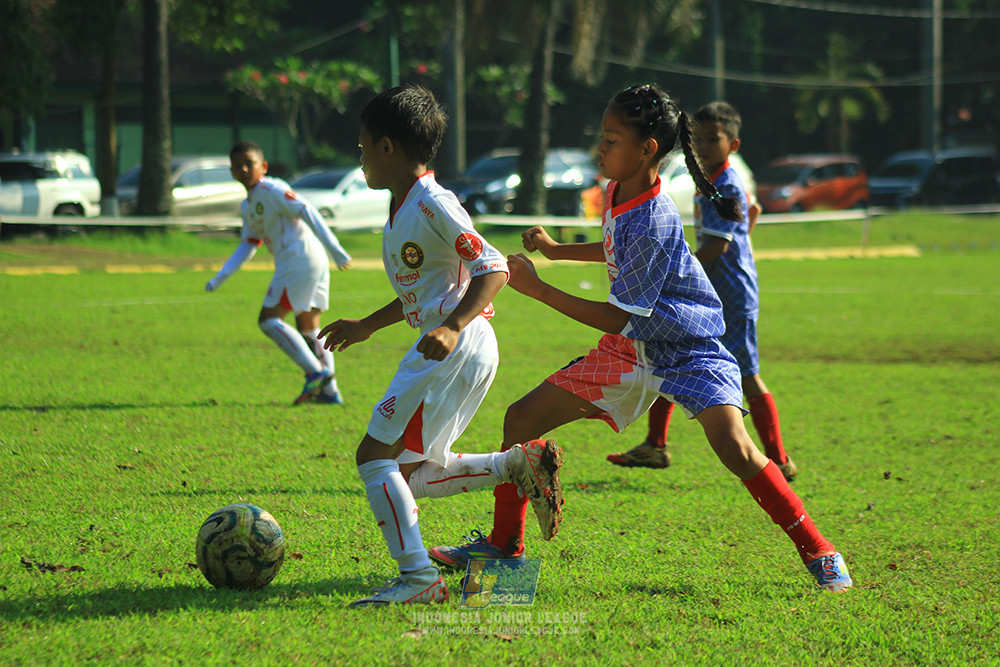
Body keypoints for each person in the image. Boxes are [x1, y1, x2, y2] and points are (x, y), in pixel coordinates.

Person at [430, 84, 852, 593]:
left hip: (688, 350)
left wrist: (539, 287)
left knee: (737, 449)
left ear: (647, 149)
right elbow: (615, 250)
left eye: (610, 140)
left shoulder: (654, 218)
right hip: (632, 350)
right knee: (520, 419)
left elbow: (616, 316)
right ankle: (503, 547)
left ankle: (820, 550)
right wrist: (559, 251)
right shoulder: (617, 191)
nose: (599, 150)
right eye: (601, 139)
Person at [317, 85, 563, 608]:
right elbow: (424, 291)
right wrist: (368, 324)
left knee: (372, 457)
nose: (359, 159)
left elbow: (492, 267)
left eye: (362, 148)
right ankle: (516, 465)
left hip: (455, 345)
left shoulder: (431, 203)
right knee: (410, 474)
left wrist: (453, 325)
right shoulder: (405, 205)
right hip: (459, 344)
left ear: (387, 148)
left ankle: (418, 578)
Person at [607, 102, 798, 482]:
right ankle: (655, 445)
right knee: (674, 361)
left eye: (715, 139)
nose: (706, 146)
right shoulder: (711, 181)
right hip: (711, 294)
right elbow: (753, 211)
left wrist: (674, 266)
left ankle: (779, 458)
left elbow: (716, 247)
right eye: (699, 138)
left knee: (747, 375)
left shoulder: (724, 183)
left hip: (731, 295)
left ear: (734, 144)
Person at [205, 140, 352, 405]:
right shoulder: (248, 205)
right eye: (237, 166)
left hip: (299, 258)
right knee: (308, 327)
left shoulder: (272, 189)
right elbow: (249, 244)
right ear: (231, 171)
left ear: (263, 166)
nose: (243, 169)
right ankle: (331, 392)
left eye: (249, 164)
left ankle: (315, 372)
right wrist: (220, 277)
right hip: (309, 259)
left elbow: (306, 209)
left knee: (268, 320)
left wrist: (336, 249)